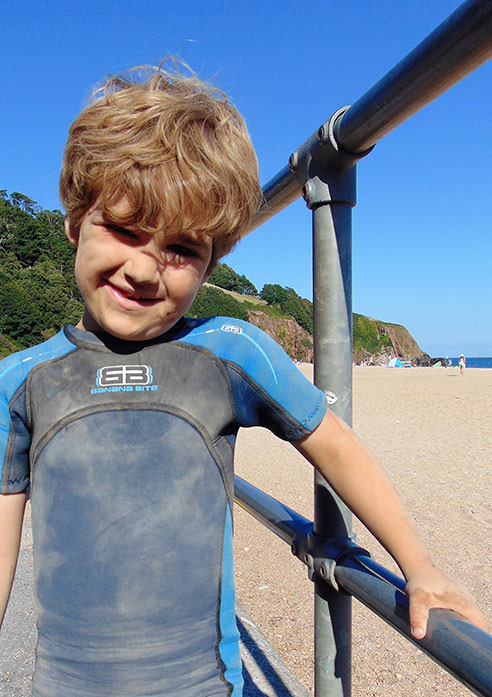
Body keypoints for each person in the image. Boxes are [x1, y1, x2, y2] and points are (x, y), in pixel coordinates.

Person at [0, 62, 488, 697]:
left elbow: (335, 444)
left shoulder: (231, 351)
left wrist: (418, 568)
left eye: (182, 249)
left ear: (214, 259)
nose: (146, 270)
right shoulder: (23, 379)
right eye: (123, 230)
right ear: (74, 221)